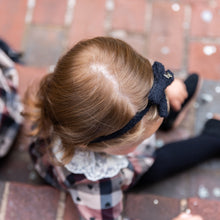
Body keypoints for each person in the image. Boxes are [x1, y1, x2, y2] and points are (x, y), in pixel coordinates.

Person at [25, 37, 220, 220]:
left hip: (108, 135)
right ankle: (213, 138)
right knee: (162, 161)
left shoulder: (72, 89)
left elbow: (132, 84)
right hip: (116, 171)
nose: (144, 142)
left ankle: (164, 118)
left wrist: (164, 87)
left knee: (141, 112)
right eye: (141, 140)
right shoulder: (98, 185)